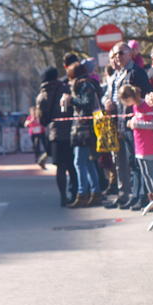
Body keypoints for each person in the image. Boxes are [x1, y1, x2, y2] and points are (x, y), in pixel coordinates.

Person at [102, 41, 151, 209]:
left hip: (133, 121)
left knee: (138, 162)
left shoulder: (136, 72)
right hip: (121, 121)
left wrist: (136, 113)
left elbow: (144, 95)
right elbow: (112, 95)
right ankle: (134, 195)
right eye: (115, 54)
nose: (118, 57)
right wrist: (108, 102)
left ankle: (142, 196)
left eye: (121, 53)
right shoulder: (119, 73)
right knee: (130, 162)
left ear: (130, 54)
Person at [62, 63, 103, 208]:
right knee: (89, 161)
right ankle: (95, 192)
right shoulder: (86, 84)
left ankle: (82, 194)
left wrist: (71, 100)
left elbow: (86, 103)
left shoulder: (84, 85)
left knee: (79, 162)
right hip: (85, 128)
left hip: (84, 129)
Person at [36, 67, 77, 206]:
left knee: (60, 167)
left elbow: (42, 120)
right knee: (72, 166)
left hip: (55, 134)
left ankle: (63, 197)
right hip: (71, 131)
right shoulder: (65, 89)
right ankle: (75, 194)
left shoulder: (41, 96)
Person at [119, 85, 153, 211]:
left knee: (151, 174)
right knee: (145, 174)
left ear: (130, 97)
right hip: (139, 145)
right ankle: (152, 198)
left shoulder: (147, 105)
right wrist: (133, 121)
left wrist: (136, 124)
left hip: (148, 145)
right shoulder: (135, 106)